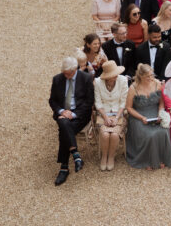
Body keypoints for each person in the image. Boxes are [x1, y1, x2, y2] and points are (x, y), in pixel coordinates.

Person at [49, 56, 95, 185]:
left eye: (68, 73)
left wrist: (73, 114)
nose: (65, 75)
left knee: (63, 128)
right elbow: (52, 100)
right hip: (63, 114)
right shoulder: (57, 79)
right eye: (64, 73)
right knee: (64, 123)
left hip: (79, 115)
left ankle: (64, 168)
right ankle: (75, 155)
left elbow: (89, 102)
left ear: (75, 70)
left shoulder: (86, 78)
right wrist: (62, 111)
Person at [125, 64, 171, 170]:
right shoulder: (133, 88)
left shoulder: (157, 84)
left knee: (163, 131)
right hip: (138, 116)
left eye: (152, 75)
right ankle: (147, 160)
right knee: (150, 134)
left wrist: (160, 113)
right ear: (141, 76)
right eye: (148, 76)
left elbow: (161, 103)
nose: (151, 78)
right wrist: (141, 118)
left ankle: (161, 159)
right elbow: (129, 108)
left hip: (155, 114)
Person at [93, 60, 128, 172]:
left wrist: (117, 118)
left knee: (113, 135)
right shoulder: (98, 82)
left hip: (119, 114)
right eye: (113, 75)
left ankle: (111, 157)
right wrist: (106, 118)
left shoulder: (122, 80)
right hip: (103, 114)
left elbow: (123, 102)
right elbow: (98, 103)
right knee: (105, 134)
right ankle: (104, 157)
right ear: (106, 77)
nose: (116, 77)